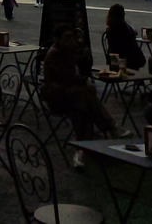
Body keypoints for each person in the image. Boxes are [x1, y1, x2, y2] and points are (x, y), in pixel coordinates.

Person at [42, 24, 118, 169]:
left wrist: (85, 58)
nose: (71, 40)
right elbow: (67, 77)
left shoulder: (67, 51)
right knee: (84, 96)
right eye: (67, 37)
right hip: (57, 97)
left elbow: (82, 71)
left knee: (82, 107)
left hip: (70, 96)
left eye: (72, 37)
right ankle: (109, 126)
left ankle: (83, 149)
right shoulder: (55, 54)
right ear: (58, 39)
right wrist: (85, 82)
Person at [105, 4, 146, 70]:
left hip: (119, 60)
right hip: (133, 58)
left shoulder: (111, 30)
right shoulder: (127, 28)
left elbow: (113, 48)